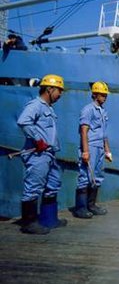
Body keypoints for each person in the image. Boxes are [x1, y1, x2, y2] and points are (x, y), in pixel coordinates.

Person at [16, 74, 67, 234]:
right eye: (59, 90)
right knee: (33, 187)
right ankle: (29, 223)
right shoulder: (36, 105)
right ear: (49, 89)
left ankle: (49, 219)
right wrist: (38, 140)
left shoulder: (48, 108)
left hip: (49, 154)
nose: (60, 94)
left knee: (53, 184)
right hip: (38, 154)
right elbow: (23, 121)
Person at [73, 81, 112, 219]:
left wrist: (107, 150)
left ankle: (91, 204)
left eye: (105, 95)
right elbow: (84, 131)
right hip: (90, 146)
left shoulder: (102, 111)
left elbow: (104, 133)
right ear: (95, 95)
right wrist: (85, 151)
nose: (105, 97)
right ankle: (81, 208)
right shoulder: (88, 110)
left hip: (100, 147)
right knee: (85, 176)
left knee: (97, 176)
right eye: (103, 95)